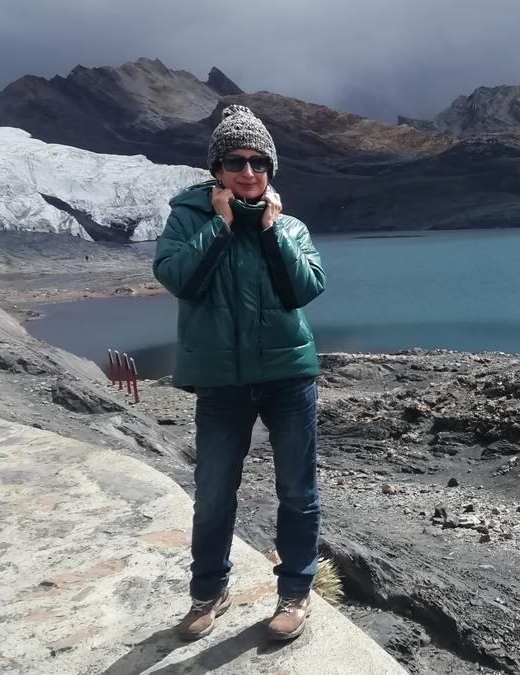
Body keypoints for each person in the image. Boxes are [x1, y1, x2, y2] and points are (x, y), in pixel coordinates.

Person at [154, 105, 326, 642]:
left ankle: (295, 594)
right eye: (236, 161)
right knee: (212, 491)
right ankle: (208, 592)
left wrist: (271, 232)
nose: (248, 172)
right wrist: (224, 227)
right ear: (217, 169)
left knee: (298, 490)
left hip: (287, 376)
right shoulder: (189, 220)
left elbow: (305, 289)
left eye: (258, 162)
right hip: (222, 381)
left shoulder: (291, 226)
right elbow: (180, 278)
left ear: (270, 169)